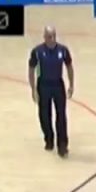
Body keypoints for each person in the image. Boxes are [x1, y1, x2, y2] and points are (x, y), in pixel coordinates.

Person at [27, 25, 75, 157]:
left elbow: (69, 67)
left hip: (58, 85)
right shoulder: (37, 51)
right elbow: (31, 69)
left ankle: (62, 145)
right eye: (49, 36)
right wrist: (33, 88)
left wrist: (71, 85)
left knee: (61, 115)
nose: (52, 39)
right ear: (44, 37)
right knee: (44, 115)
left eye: (54, 36)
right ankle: (49, 138)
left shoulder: (63, 50)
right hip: (43, 85)